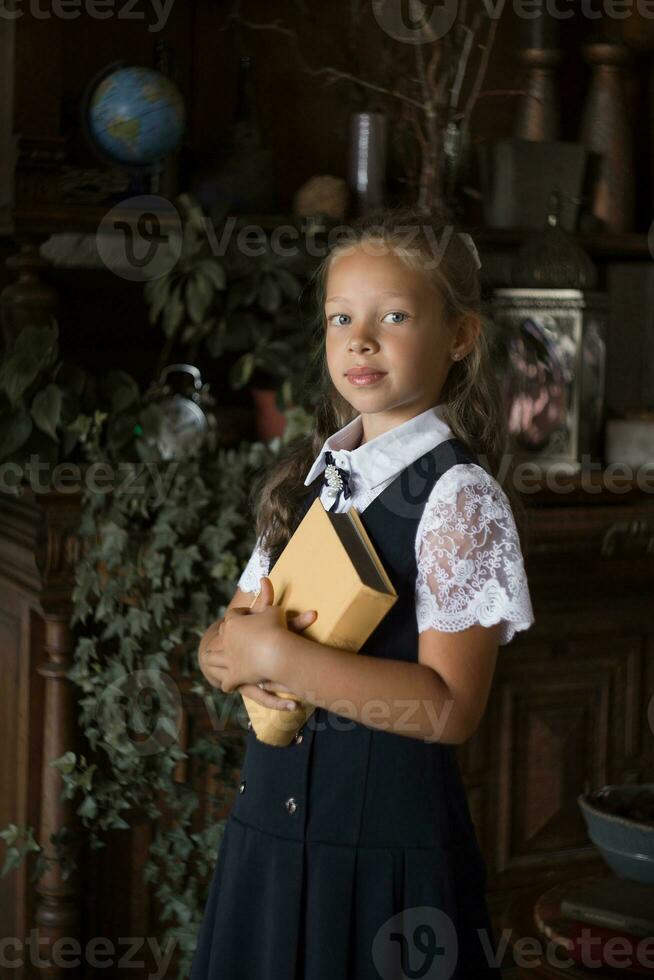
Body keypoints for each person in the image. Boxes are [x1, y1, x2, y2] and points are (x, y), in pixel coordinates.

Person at [191, 206, 535, 980]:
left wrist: (277, 653)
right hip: (269, 844)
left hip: (381, 866)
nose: (361, 338)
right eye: (341, 317)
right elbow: (224, 645)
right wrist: (227, 654)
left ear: (459, 337)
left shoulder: (459, 498)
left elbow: (450, 709)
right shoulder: (308, 482)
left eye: (396, 315)